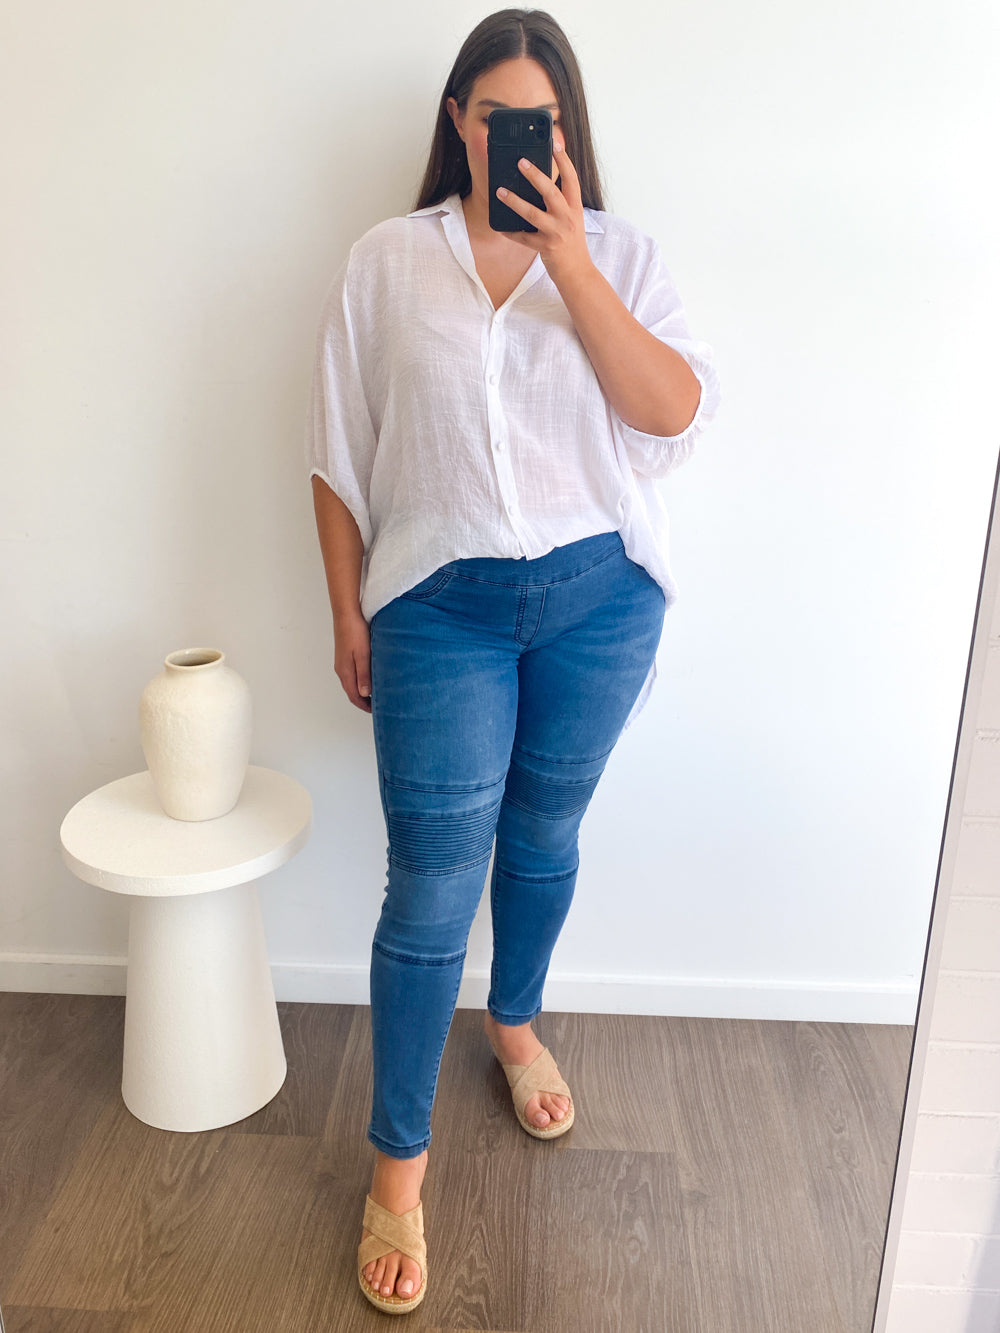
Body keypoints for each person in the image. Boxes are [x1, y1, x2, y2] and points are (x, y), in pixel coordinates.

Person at [308, 7, 719, 1315]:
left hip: (601, 602)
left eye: (538, 119)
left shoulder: (623, 253)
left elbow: (673, 416)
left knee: (543, 835)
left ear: (568, 129)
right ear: (460, 122)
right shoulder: (387, 262)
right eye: (494, 118)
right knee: (432, 884)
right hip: (438, 606)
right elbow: (337, 449)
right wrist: (345, 611)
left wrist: (571, 263)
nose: (514, 139)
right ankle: (398, 1170)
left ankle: (518, 1020)